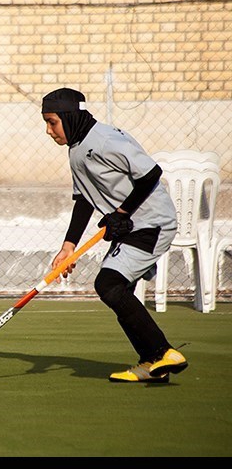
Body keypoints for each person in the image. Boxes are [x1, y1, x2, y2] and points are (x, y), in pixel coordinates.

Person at [42, 87, 189, 383]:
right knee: (119, 291)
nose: (48, 130)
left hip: (152, 223)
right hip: (131, 227)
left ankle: (162, 352)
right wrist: (68, 246)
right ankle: (152, 363)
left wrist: (121, 213)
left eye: (52, 122)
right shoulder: (76, 150)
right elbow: (83, 199)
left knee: (109, 284)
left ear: (69, 118)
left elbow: (150, 174)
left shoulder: (106, 140)